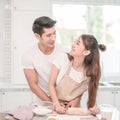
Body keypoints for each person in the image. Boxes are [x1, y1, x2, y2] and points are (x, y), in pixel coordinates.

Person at [49, 34, 106, 115]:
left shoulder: (89, 72)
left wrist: (92, 109)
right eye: (75, 41)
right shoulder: (62, 58)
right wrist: (57, 105)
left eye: (78, 43)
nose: (73, 44)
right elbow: (51, 85)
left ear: (86, 52)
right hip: (56, 107)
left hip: (74, 110)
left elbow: (83, 91)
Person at [22, 16, 69, 105]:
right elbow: (33, 85)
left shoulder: (65, 51)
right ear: (37, 36)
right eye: (48, 35)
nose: (53, 38)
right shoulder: (28, 54)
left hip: (65, 102)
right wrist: (53, 103)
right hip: (43, 102)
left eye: (54, 33)